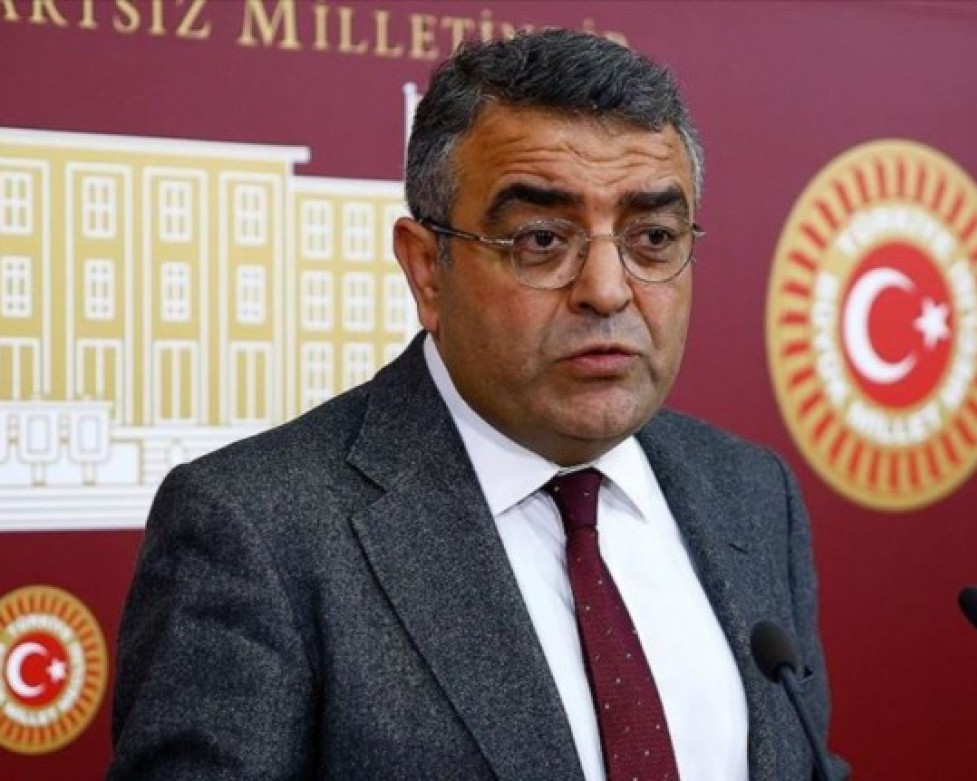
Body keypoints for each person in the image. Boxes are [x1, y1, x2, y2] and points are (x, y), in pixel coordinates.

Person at [109, 29, 846, 781]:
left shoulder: (751, 493)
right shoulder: (258, 530)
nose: (607, 289)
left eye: (653, 236)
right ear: (427, 269)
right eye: (540, 239)